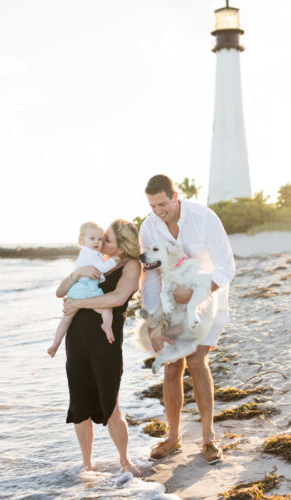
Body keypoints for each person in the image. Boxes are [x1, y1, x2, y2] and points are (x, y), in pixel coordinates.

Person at [139, 175, 235, 464]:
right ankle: (173, 437)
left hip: (209, 298)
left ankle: (208, 439)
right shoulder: (149, 226)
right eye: (153, 205)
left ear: (175, 196)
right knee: (171, 366)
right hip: (170, 306)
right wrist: (156, 322)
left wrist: (194, 292)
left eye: (162, 203)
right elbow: (151, 277)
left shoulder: (204, 218)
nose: (158, 210)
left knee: (196, 362)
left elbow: (226, 268)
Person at [57, 219, 141, 475]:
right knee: (79, 403)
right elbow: (61, 292)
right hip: (77, 339)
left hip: (106, 341)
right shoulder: (89, 261)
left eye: (107, 239)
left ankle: (125, 461)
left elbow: (117, 298)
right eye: (101, 238)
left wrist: (79, 304)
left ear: (120, 245)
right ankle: (86, 464)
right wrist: (76, 274)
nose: (101, 242)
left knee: (111, 403)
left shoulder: (131, 265)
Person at [47, 221, 120, 357]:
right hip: (89, 290)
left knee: (66, 318)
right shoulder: (92, 254)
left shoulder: (84, 253)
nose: (97, 242)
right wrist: (113, 260)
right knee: (106, 308)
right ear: (82, 240)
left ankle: (55, 344)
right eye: (92, 239)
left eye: (100, 239)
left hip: (76, 291)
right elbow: (103, 268)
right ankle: (107, 326)